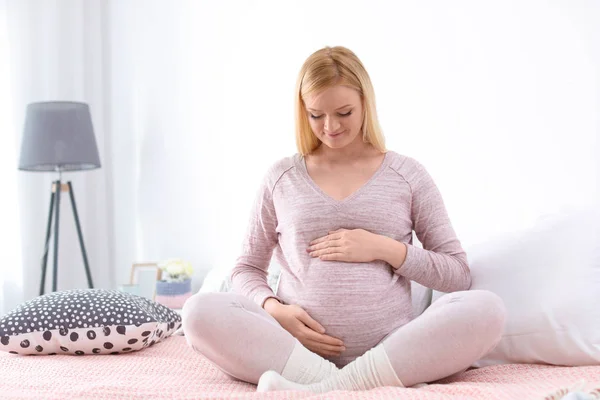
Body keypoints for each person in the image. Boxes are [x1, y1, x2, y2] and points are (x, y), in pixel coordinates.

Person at [181, 46, 506, 393]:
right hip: (294, 353)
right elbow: (246, 268)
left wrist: (385, 248)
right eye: (316, 115)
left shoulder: (407, 175)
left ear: (366, 102)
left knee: (487, 309)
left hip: (390, 351)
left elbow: (457, 274)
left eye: (344, 112)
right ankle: (355, 387)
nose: (330, 127)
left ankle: (319, 390)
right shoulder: (281, 177)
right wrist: (274, 309)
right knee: (197, 311)